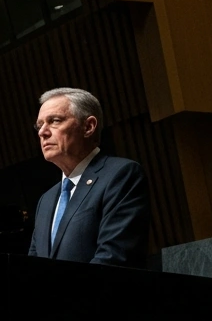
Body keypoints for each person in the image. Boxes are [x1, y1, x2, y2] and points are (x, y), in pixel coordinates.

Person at [27, 87, 149, 267]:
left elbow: (113, 257)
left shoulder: (120, 175)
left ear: (88, 127)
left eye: (54, 121)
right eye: (40, 125)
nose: (42, 132)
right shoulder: (46, 200)